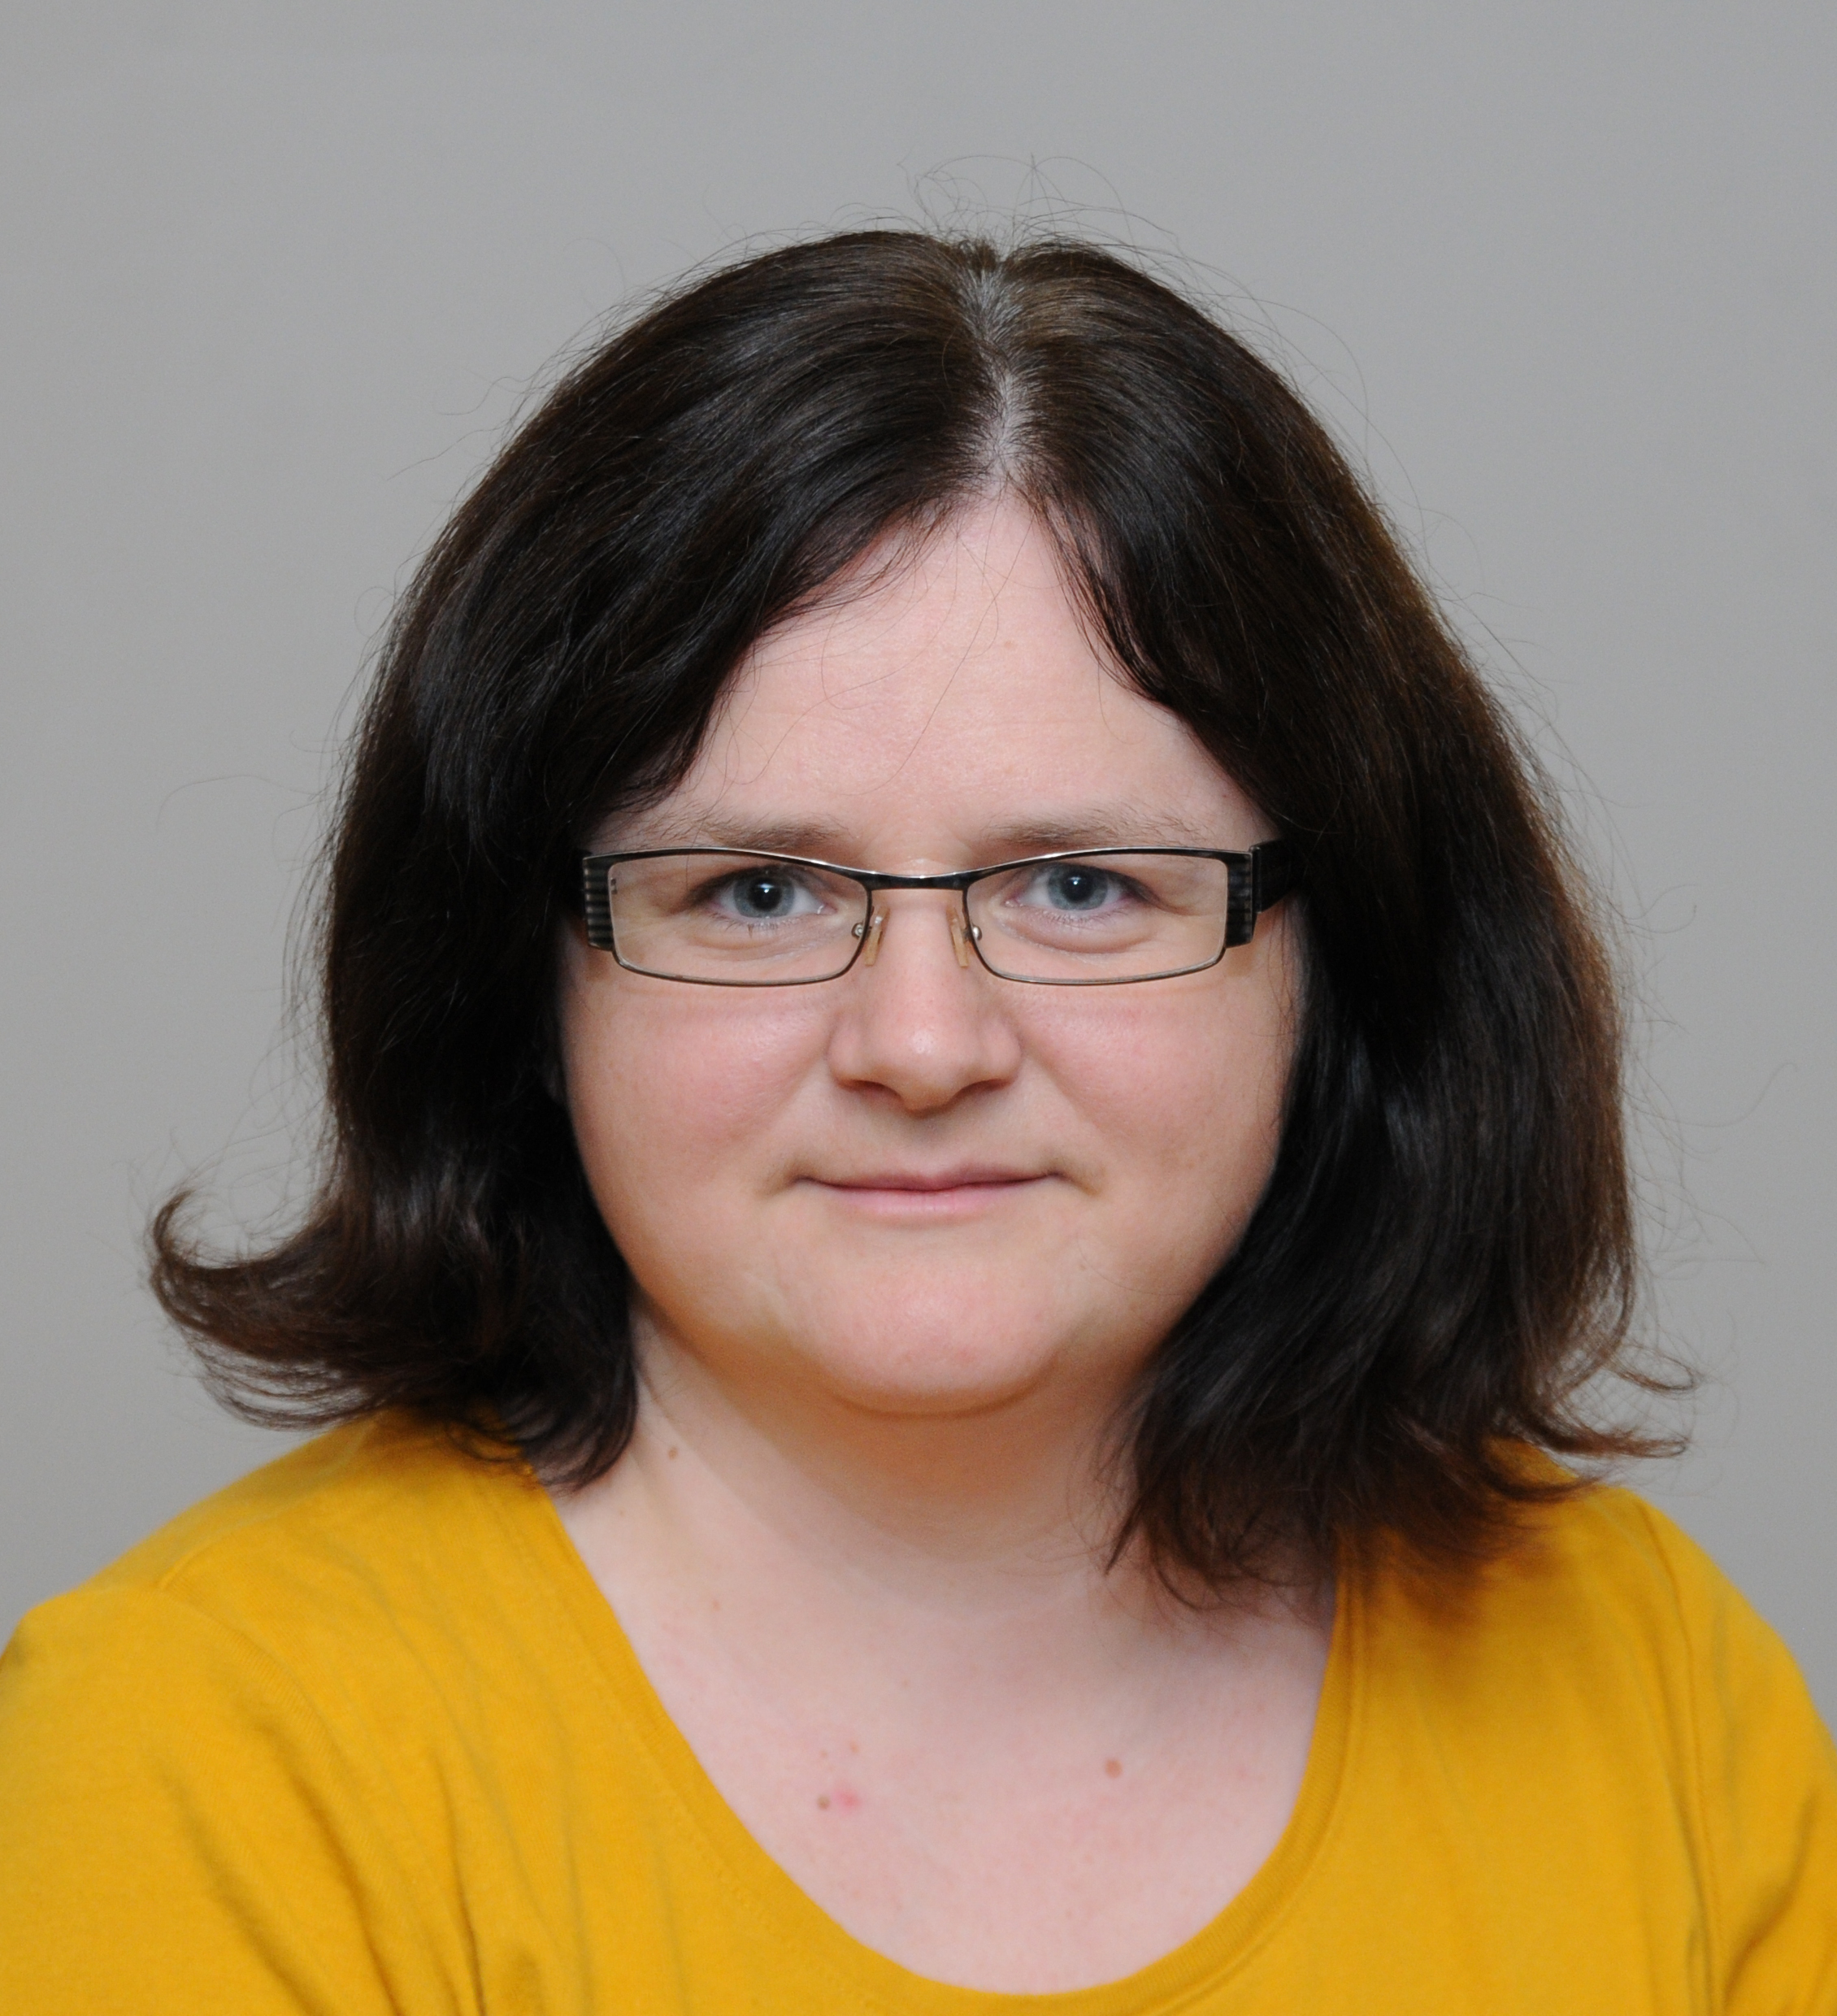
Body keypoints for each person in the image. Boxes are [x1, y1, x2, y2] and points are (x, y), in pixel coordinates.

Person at [0, 228, 1831, 2013]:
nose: (923, 1044)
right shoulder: (196, 1757)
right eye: (757, 893)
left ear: (1339, 959)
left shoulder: (1652, 1687)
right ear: (522, 978)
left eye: (1085, 885)